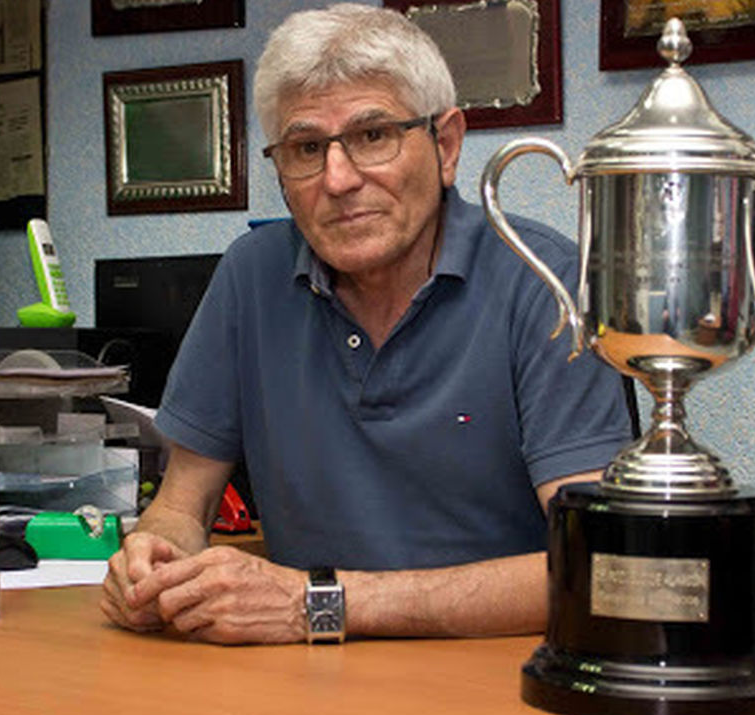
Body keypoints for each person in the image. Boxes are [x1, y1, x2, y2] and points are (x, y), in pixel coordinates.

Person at [100, 3, 631, 644]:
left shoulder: (545, 280)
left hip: (497, 675)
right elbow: (182, 506)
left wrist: (318, 604)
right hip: (305, 677)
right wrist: (153, 555)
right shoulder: (250, 275)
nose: (338, 179)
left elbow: (602, 565)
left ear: (446, 145)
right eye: (306, 148)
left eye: (373, 135)